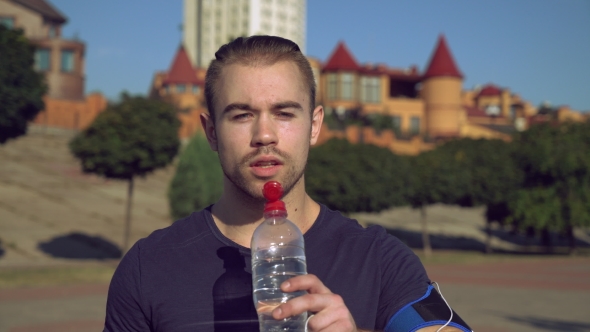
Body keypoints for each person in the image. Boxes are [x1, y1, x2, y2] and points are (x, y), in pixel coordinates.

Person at [104, 35, 472, 332]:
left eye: (283, 113)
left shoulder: (377, 259)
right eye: (242, 114)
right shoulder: (148, 267)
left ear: (314, 125)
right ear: (211, 132)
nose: (264, 135)